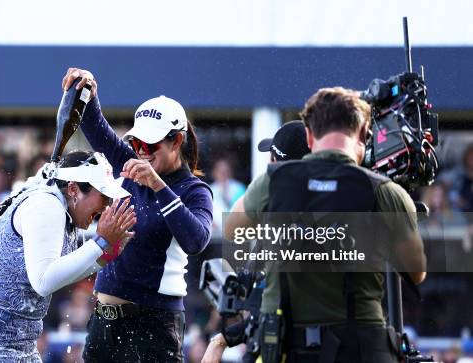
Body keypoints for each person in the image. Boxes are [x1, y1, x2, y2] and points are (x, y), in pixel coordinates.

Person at [220, 88, 426, 363]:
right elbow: (416, 272)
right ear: (364, 133)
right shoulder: (385, 192)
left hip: (286, 347)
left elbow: (232, 229)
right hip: (360, 349)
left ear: (308, 135)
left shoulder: (272, 183)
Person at [62, 68, 213, 362]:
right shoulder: (130, 163)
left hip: (154, 327)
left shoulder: (194, 190)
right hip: (104, 322)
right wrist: (88, 91)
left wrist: (157, 184)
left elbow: (197, 241)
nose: (141, 152)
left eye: (150, 145)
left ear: (177, 141)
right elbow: (97, 130)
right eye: (137, 144)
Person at [0, 150, 136, 362]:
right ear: (74, 189)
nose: (106, 205)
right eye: (103, 196)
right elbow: (43, 281)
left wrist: (106, 253)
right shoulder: (46, 206)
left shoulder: (61, 208)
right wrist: (100, 242)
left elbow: (61, 273)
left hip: (13, 343)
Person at [202, 120, 310, 363]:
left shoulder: (271, 187)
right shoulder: (335, 201)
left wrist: (268, 186)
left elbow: (231, 227)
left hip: (281, 340)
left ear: (276, 162)